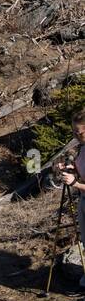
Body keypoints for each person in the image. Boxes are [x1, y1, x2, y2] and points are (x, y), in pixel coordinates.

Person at [53, 109, 85, 287]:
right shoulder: (82, 147)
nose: (75, 135)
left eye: (78, 132)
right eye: (73, 131)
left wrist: (75, 184)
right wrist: (71, 168)